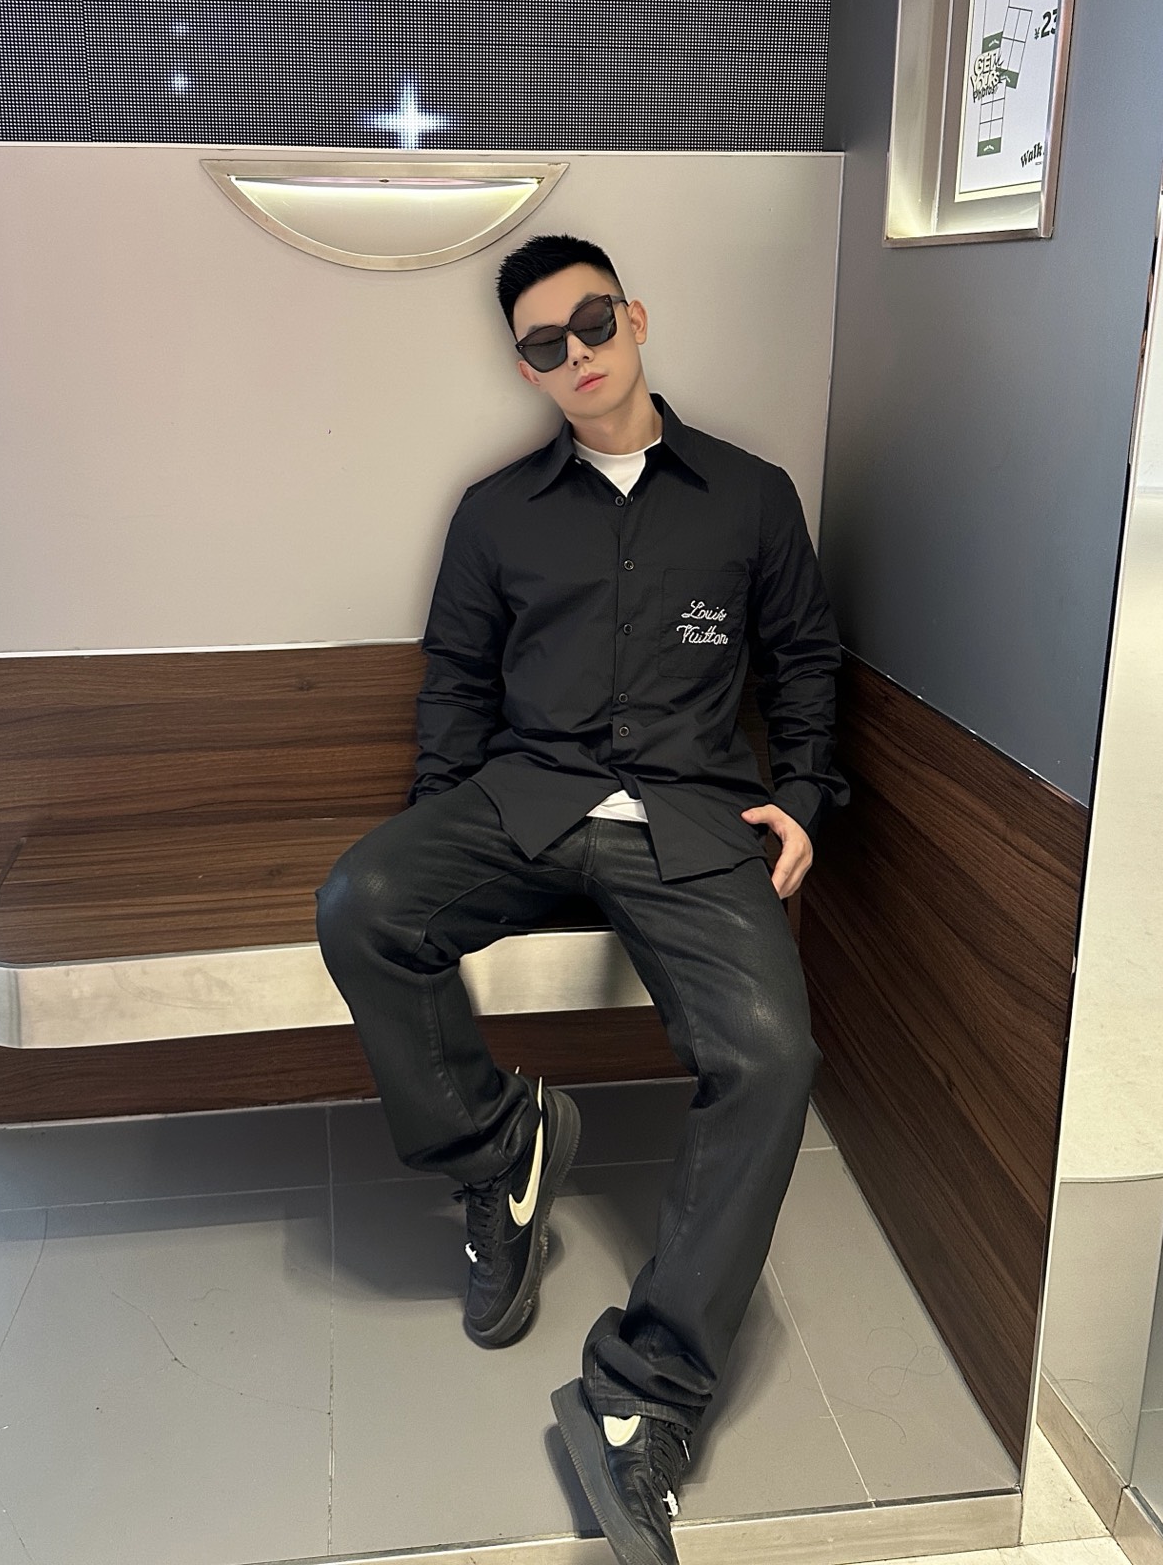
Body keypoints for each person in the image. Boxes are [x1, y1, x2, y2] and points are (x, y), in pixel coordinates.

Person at [316, 233, 847, 1565]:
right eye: (546, 344)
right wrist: (440, 820)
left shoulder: (751, 497)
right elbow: (455, 680)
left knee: (773, 1058)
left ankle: (642, 1395)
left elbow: (804, 659)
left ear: (636, 318)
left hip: (695, 820)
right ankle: (500, 1150)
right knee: (363, 901)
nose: (579, 354)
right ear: (527, 369)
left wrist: (805, 796)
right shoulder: (497, 513)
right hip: (525, 802)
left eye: (594, 322)